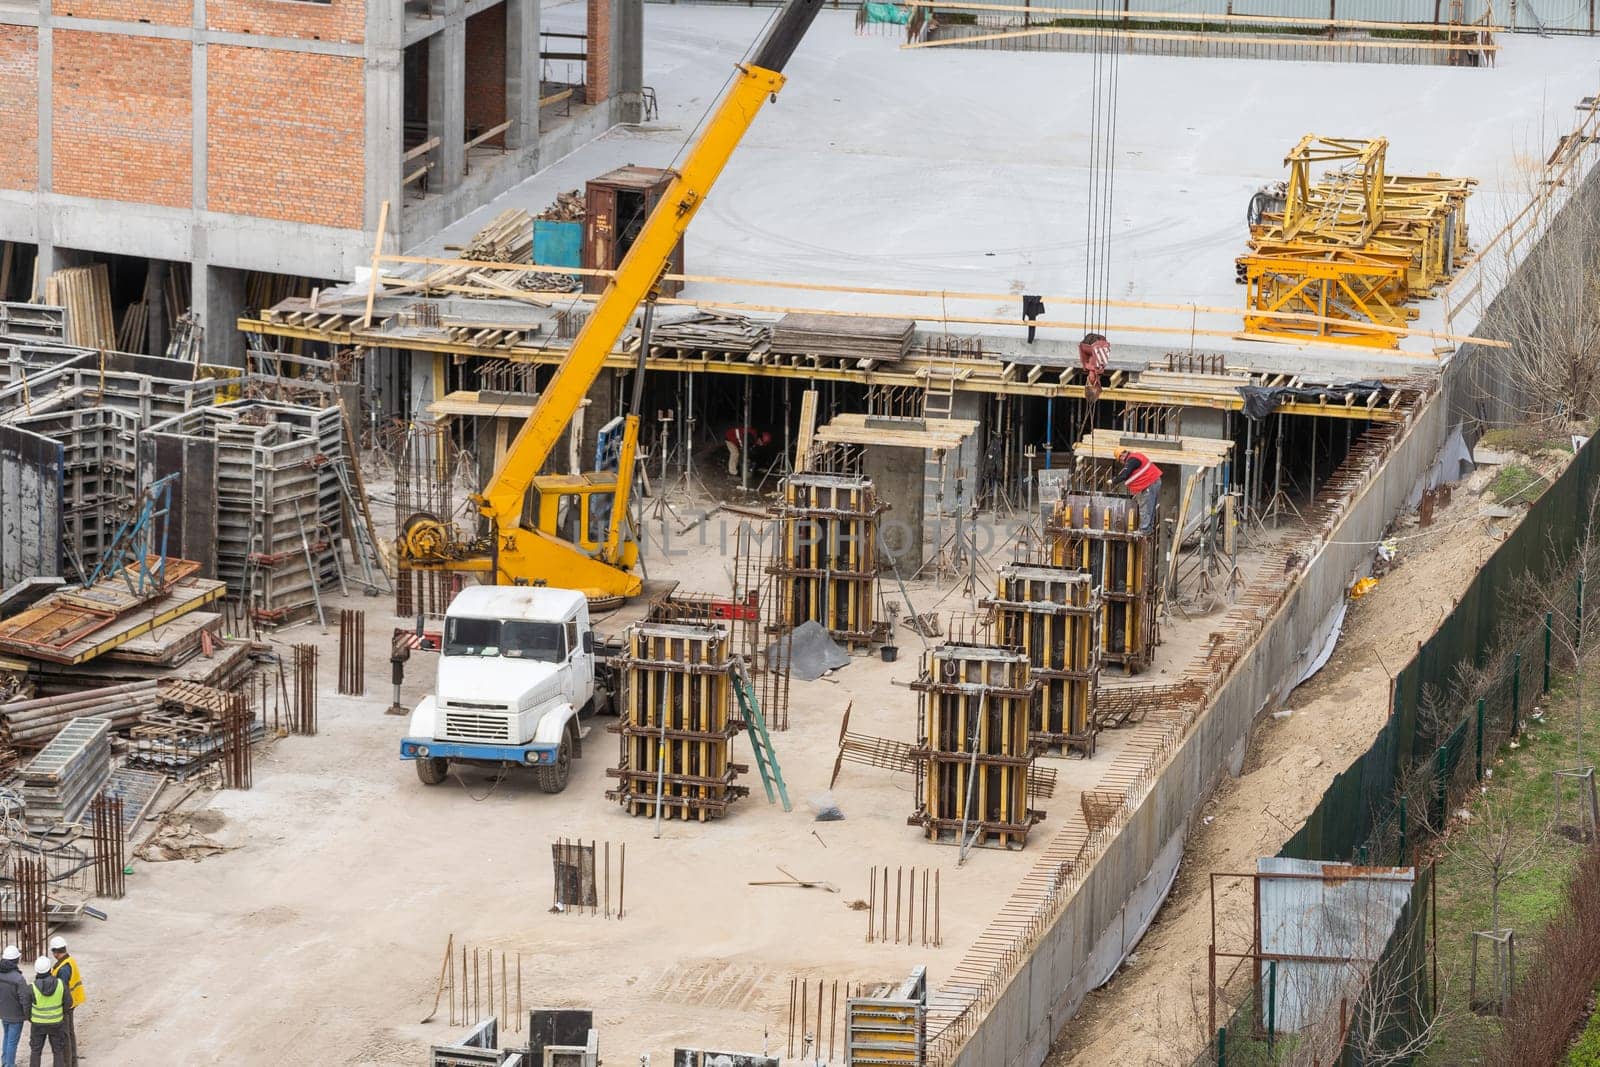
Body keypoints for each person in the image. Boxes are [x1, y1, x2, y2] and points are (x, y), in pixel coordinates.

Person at [1113, 446, 1162, 534]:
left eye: (1120, 460)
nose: (1121, 462)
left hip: (1149, 483)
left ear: (1121, 456)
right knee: (1150, 507)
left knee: (1145, 507)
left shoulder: (1132, 460)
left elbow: (1125, 474)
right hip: (1153, 481)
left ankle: (1144, 529)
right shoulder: (1135, 456)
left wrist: (1114, 481)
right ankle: (1148, 529)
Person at [44, 941, 77, 1067]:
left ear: (56, 952)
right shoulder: (68, 960)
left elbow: (61, 990)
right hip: (72, 1001)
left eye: (53, 951)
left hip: (66, 1005)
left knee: (66, 1035)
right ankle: (72, 1061)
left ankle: (68, 1062)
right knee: (69, 1032)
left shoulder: (63, 968)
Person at [26, 958, 64, 1067]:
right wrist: (60, 1013)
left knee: (36, 1051)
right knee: (58, 1051)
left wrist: (30, 1018)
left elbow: (27, 1006)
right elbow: (68, 1002)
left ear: (37, 971)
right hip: (56, 1022)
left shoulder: (32, 987)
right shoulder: (60, 984)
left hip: (37, 1024)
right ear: (50, 969)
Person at [0, 946, 27, 1067]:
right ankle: (9, 1065)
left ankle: (5, 1062)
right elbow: (24, 999)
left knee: (6, 1037)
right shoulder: (18, 978)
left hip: (4, 1013)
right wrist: (28, 1015)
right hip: (16, 1015)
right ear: (16, 960)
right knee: (12, 1041)